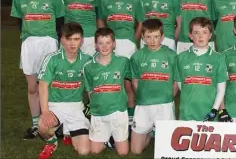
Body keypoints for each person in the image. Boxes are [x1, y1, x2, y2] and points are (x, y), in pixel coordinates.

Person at [10, 0, 65, 140]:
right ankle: (35, 125)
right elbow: (19, 23)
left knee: (51, 85)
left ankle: (55, 122)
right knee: (33, 87)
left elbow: (60, 23)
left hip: (49, 43)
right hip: (29, 44)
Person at [98, 0, 145, 124]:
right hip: (110, 45)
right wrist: (105, 39)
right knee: (111, 81)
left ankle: (131, 118)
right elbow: (100, 19)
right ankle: (111, 114)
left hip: (127, 44)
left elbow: (140, 23)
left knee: (128, 83)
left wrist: (134, 39)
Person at [37, 23, 91, 159]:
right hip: (55, 107)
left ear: (82, 40)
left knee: (84, 151)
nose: (72, 44)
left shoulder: (87, 61)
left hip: (76, 108)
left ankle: (68, 131)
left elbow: (91, 89)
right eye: (68, 39)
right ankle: (52, 141)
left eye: (76, 39)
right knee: (43, 127)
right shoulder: (52, 59)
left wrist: (95, 109)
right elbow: (42, 85)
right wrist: (45, 112)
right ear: (62, 39)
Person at [130, 19, 178, 154]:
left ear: (162, 37)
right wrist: (140, 95)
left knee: (166, 150)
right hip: (144, 103)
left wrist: (170, 96)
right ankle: (150, 132)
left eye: (156, 36)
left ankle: (157, 129)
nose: (152, 40)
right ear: (143, 37)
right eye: (148, 37)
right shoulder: (137, 56)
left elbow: (176, 80)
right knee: (135, 151)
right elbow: (135, 79)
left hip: (164, 104)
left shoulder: (172, 55)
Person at [82, 27, 131, 155]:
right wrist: (94, 107)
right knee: (95, 151)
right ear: (95, 45)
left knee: (123, 153)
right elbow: (89, 91)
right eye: (101, 43)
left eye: (108, 42)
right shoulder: (88, 66)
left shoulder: (123, 61)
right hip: (99, 112)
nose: (104, 46)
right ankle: (107, 139)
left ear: (114, 44)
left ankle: (113, 137)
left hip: (118, 111)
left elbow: (130, 81)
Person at [175, 17, 228, 121]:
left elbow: (221, 89)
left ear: (210, 35)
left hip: (209, 113)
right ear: (190, 35)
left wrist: (214, 109)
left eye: (204, 32)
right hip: (187, 112)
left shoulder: (218, 58)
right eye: (196, 32)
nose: (200, 36)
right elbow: (181, 85)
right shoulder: (181, 57)